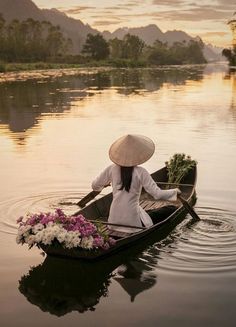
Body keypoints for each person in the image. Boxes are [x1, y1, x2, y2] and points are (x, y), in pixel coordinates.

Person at [91, 134, 180, 232]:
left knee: (147, 212)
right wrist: (175, 192)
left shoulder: (111, 169)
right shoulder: (141, 172)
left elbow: (95, 186)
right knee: (170, 209)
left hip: (113, 222)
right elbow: (157, 194)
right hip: (133, 225)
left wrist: (103, 185)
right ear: (137, 155)